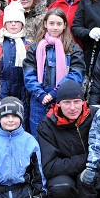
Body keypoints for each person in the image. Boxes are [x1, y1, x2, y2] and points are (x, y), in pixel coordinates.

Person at [23, 7, 85, 139]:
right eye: (51, 23)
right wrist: (41, 94)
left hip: (62, 100)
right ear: (45, 24)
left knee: (61, 138)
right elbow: (28, 73)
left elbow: (76, 74)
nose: (55, 27)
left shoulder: (72, 48)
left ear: (64, 26)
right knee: (38, 136)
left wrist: (54, 93)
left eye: (59, 24)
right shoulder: (35, 47)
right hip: (39, 101)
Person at [0, 2, 32, 132]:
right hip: (2, 87)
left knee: (23, 117)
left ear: (22, 23)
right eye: (10, 21)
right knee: (3, 117)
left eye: (17, 21)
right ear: (5, 23)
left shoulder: (29, 45)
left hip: (24, 87)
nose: (13, 24)